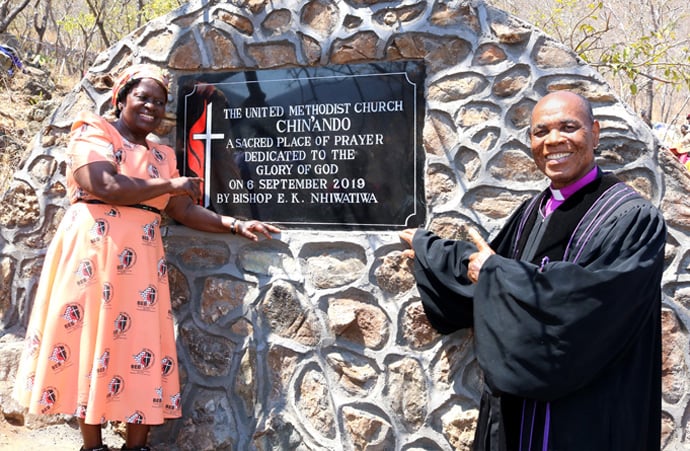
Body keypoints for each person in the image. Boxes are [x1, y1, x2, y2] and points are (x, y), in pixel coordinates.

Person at [12, 63, 280, 451]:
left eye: (159, 101)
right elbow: (104, 184)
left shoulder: (163, 155)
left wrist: (234, 225)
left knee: (140, 346)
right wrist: (172, 184)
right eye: (143, 97)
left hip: (142, 264)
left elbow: (183, 211)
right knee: (93, 339)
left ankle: (137, 446)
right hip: (95, 255)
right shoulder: (94, 132)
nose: (152, 106)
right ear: (121, 99)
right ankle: (93, 444)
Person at [400, 91, 666, 450]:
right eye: (541, 132)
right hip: (517, 413)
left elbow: (588, 301)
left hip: (590, 412)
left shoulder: (631, 217)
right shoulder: (531, 212)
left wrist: (496, 274)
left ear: (595, 133)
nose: (553, 140)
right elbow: (486, 269)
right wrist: (429, 248)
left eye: (568, 127)